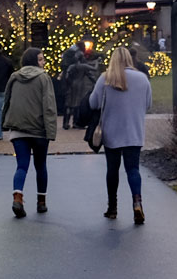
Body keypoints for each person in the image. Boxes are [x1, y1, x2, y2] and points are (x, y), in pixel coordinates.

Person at [88, 45, 153, 224]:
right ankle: (137, 203)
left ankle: (112, 208)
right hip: (134, 131)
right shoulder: (142, 78)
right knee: (133, 169)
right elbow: (148, 104)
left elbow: (93, 103)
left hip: (111, 132)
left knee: (112, 170)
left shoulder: (105, 79)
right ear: (130, 59)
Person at [0, 47, 57, 217]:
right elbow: (49, 106)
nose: (43, 62)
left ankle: (17, 197)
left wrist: (5, 123)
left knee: (22, 166)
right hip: (38, 130)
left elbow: (7, 100)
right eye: (40, 59)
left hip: (18, 130)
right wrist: (50, 131)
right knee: (41, 166)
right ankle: (41, 202)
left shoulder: (14, 77)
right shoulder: (43, 78)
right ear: (34, 61)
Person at [65, 52, 98, 141]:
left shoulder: (71, 66)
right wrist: (97, 62)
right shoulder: (83, 66)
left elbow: (67, 76)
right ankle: (75, 122)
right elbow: (93, 70)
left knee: (69, 103)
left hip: (72, 84)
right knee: (77, 103)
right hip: (79, 85)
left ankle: (66, 123)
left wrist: (69, 82)